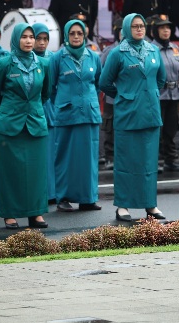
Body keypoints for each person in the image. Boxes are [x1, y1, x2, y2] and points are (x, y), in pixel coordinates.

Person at [99, 14, 166, 222]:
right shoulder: (117, 53)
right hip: (127, 115)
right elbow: (104, 82)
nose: (139, 29)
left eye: (142, 26)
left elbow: (161, 79)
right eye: (135, 26)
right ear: (127, 29)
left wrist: (149, 95)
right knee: (126, 162)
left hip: (150, 114)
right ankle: (123, 206)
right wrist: (124, 96)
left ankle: (150, 204)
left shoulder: (154, 50)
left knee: (148, 162)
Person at [0, 23, 51, 229]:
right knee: (10, 172)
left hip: (35, 123)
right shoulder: (5, 63)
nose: (29, 41)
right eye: (24, 37)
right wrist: (9, 111)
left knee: (36, 172)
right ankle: (10, 214)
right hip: (10, 125)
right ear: (16, 39)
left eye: (31, 37)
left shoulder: (44, 63)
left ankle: (36, 214)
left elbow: (45, 94)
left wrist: (31, 110)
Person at [49, 19, 102, 212]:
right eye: (72, 33)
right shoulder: (57, 58)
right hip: (66, 114)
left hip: (89, 113)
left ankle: (88, 198)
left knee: (89, 159)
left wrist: (87, 101)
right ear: (66, 36)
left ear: (85, 35)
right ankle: (63, 197)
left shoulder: (93, 56)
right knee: (64, 157)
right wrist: (63, 102)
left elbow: (97, 84)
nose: (77, 37)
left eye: (80, 33)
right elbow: (51, 88)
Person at [151, 15, 179, 173]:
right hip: (158, 94)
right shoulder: (150, 49)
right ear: (155, 31)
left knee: (171, 129)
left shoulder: (175, 48)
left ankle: (170, 160)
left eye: (168, 27)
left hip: (174, 94)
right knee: (156, 130)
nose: (166, 30)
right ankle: (154, 161)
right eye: (162, 28)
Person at [32, 23, 57, 204]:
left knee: (52, 153)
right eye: (38, 38)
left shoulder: (53, 59)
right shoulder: (26, 58)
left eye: (45, 39)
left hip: (51, 110)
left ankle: (52, 192)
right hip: (34, 111)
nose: (42, 43)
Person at [99, 21, 121, 171]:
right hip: (112, 96)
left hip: (129, 97)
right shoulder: (109, 51)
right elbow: (100, 73)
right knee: (110, 128)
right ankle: (110, 157)